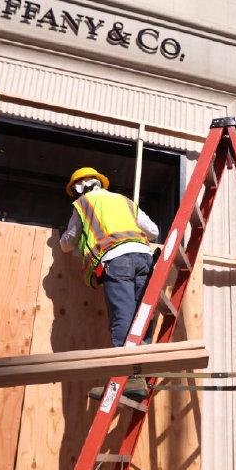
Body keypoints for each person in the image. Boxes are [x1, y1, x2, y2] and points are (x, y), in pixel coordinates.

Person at [59, 167, 159, 400]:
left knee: (122, 317)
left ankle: (128, 378)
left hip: (117, 260)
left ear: (77, 188)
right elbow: (152, 231)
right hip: (143, 257)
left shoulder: (83, 204)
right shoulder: (124, 201)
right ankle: (139, 374)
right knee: (140, 317)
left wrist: (65, 239)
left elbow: (67, 243)